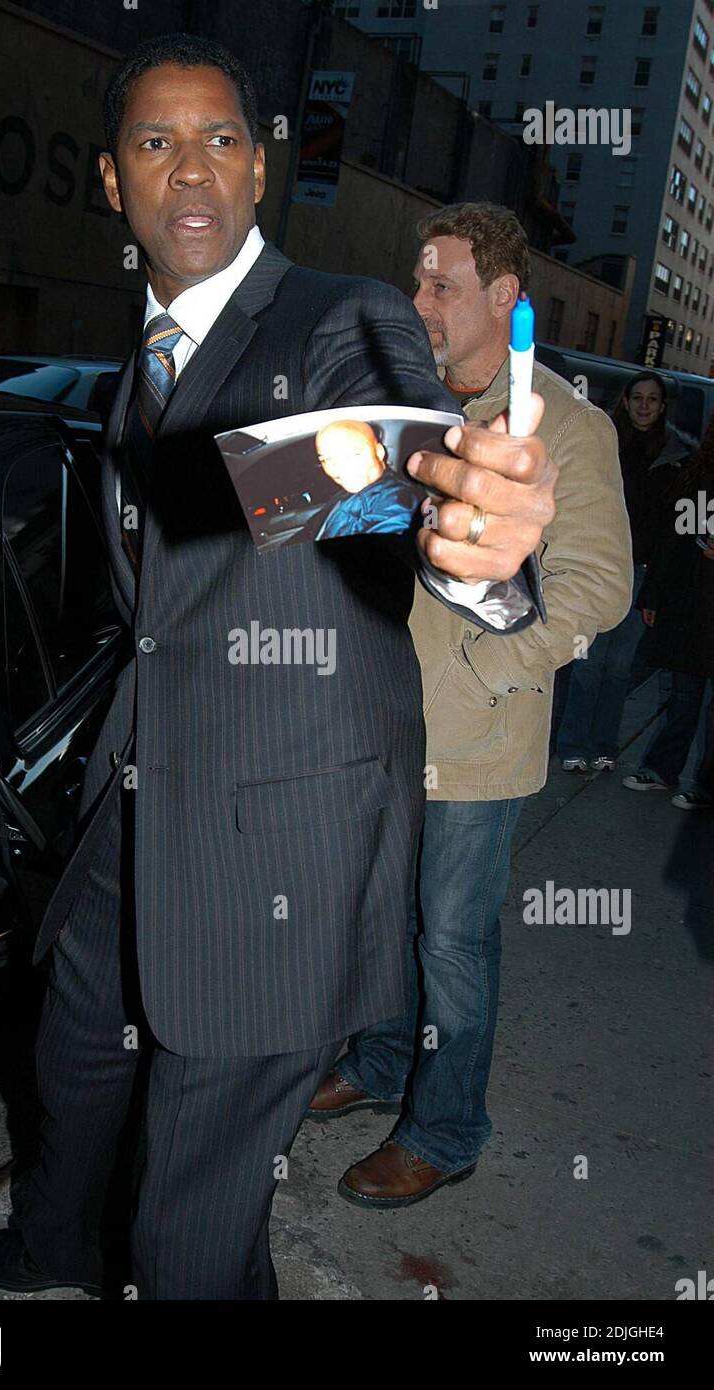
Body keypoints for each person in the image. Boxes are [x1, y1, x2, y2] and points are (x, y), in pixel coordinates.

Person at [0, 42, 557, 1301]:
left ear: (262, 168)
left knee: (192, 1236)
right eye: (157, 142)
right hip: (133, 806)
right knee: (73, 1058)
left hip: (279, 842)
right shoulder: (134, 367)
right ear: (114, 183)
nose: (193, 167)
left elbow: (392, 463)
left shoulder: (342, 317)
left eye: (222, 139)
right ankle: (56, 1240)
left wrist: (468, 535)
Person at [308, 202, 632, 1208]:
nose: (418, 301)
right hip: (373, 722)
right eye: (416, 280)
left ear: (503, 296)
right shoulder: (402, 407)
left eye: (439, 283)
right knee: (381, 918)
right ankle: (378, 1059)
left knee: (451, 940)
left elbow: (599, 585)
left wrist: (496, 670)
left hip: (472, 735)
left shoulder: (564, 427)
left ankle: (445, 1128)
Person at [556, 372, 689, 773]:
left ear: (662, 407)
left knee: (618, 669)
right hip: (599, 566)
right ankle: (572, 745)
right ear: (626, 402)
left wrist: (657, 591)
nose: (645, 405)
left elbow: (671, 531)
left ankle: (604, 747)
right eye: (638, 398)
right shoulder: (603, 443)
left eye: (653, 399)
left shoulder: (676, 458)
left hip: (642, 572)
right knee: (587, 664)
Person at [622, 425, 714, 808]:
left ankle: (705, 785)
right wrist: (654, 597)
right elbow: (671, 541)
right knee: (684, 696)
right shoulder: (697, 473)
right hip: (691, 607)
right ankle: (663, 770)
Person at [314, 419, 423, 539]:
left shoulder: (398, 499)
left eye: (354, 454)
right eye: (327, 459)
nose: (339, 467)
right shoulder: (346, 494)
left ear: (379, 452)